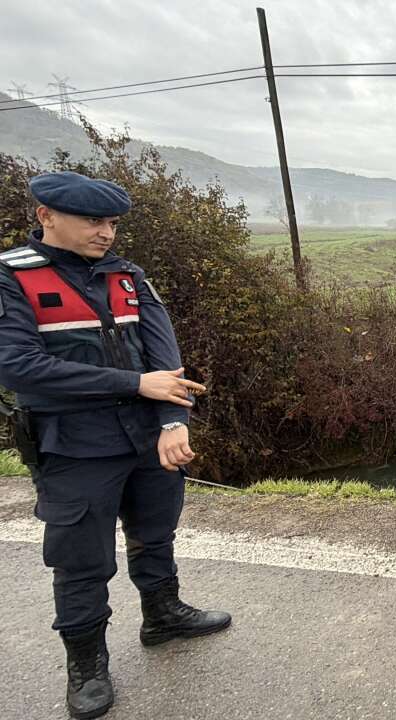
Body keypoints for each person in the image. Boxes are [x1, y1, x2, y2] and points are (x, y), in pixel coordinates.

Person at [0, 172, 231, 720]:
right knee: (81, 558)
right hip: (73, 446)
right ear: (46, 216)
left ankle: (163, 614)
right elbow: (17, 365)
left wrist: (175, 420)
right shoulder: (11, 278)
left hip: (148, 439)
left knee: (156, 531)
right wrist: (133, 385)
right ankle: (87, 666)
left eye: (111, 223)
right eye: (92, 221)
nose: (106, 233)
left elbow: (164, 359)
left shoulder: (129, 277)